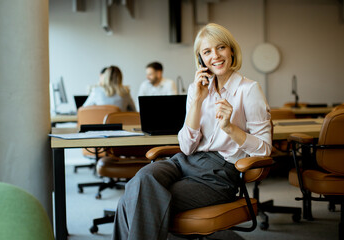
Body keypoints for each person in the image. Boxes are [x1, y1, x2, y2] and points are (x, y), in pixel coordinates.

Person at [112, 23, 272, 240]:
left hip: (219, 173)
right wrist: (197, 100)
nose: (215, 55)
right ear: (200, 59)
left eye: (221, 47)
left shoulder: (249, 90)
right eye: (207, 52)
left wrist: (230, 128)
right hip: (183, 161)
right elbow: (186, 146)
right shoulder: (195, 90)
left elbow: (264, 150)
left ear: (231, 50)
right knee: (141, 180)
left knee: (134, 199)